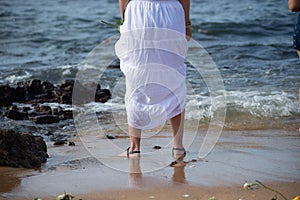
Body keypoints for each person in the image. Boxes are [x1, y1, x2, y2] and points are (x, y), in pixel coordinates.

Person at [116, 0, 191, 160]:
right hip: (172, 12)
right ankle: (178, 147)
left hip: (139, 13)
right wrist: (186, 24)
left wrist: (125, 21)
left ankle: (135, 148)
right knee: (174, 77)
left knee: (136, 78)